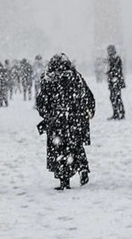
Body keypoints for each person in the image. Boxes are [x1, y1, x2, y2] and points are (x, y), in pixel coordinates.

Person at [36, 54, 95, 190]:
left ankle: (64, 180)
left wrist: (47, 115)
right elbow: (87, 96)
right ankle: (82, 168)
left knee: (58, 150)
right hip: (74, 120)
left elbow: (42, 102)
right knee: (76, 146)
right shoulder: (75, 77)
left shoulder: (48, 79)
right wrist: (87, 111)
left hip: (57, 122)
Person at [106, 45, 125, 120]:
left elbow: (117, 70)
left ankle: (120, 113)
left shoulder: (117, 59)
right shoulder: (111, 59)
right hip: (113, 81)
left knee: (117, 97)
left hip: (116, 81)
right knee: (113, 98)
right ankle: (116, 113)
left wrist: (113, 76)